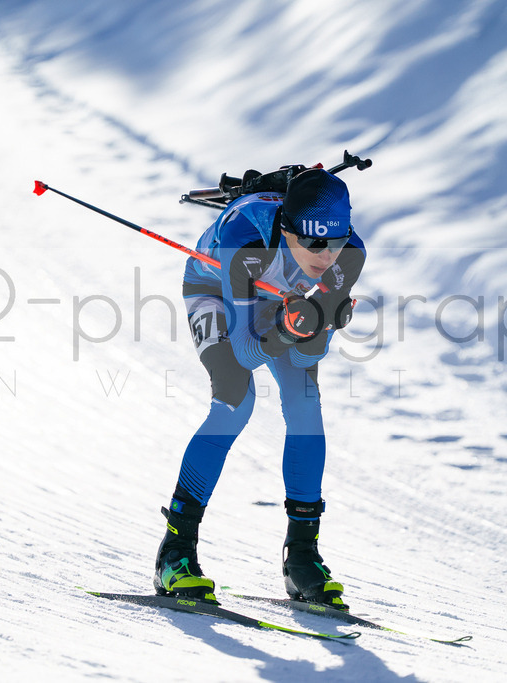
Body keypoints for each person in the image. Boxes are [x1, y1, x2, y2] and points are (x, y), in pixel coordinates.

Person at [154, 168, 367, 609]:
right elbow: (247, 351)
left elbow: (309, 358)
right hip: (214, 289)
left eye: (335, 241)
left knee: (306, 403)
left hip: (275, 301)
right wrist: (293, 327)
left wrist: (316, 324)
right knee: (235, 402)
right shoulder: (246, 239)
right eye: (312, 243)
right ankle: (175, 552)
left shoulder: (350, 253)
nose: (326, 256)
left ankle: (302, 558)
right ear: (287, 230)